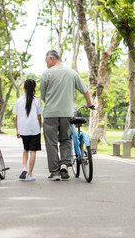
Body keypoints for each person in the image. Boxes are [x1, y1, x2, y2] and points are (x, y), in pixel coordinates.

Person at [40, 50, 94, 181]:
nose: (46, 64)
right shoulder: (72, 73)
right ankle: (64, 164)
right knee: (65, 140)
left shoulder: (46, 74)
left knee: (51, 143)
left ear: (51, 58)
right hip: (67, 114)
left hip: (50, 114)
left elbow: (43, 97)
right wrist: (89, 104)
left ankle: (55, 173)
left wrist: (52, 105)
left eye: (46, 61)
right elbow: (85, 90)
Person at [12, 79, 42, 181]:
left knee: (25, 149)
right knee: (33, 151)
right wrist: (40, 128)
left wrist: (18, 130)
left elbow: (16, 117)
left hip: (23, 129)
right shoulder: (37, 101)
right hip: (34, 128)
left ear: (24, 87)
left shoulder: (19, 101)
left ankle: (24, 167)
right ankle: (29, 174)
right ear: (34, 88)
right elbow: (39, 117)